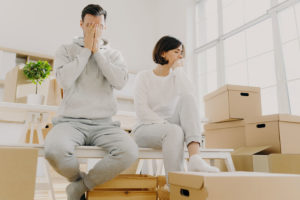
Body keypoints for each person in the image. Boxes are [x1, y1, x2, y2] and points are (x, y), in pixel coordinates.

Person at [44, 4, 138, 200]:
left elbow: (120, 82)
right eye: (89, 25)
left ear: (104, 27)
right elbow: (64, 81)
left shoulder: (114, 54)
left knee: (129, 152)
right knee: (54, 150)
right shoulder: (66, 50)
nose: (94, 29)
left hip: (104, 124)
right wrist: (86, 51)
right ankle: (78, 181)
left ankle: (79, 188)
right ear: (81, 24)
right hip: (70, 122)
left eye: (98, 26)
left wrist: (98, 53)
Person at [132, 35, 219, 185]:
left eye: (182, 53)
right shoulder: (143, 77)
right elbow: (142, 111)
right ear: (163, 53)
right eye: (176, 51)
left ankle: (195, 158)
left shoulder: (176, 77)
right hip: (145, 128)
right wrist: (166, 125)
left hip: (170, 127)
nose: (180, 56)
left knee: (188, 99)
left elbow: (189, 95)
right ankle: (176, 187)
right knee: (174, 131)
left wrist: (178, 70)